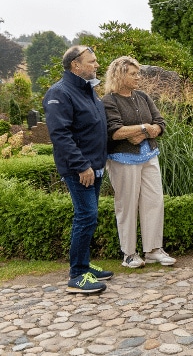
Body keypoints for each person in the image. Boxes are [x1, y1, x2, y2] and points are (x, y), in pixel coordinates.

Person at [43, 45, 114, 294]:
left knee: (89, 217)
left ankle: (84, 265)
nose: (96, 65)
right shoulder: (59, 93)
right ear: (76, 65)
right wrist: (82, 165)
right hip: (80, 169)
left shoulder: (87, 90)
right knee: (86, 217)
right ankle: (77, 275)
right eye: (92, 61)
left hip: (94, 166)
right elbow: (60, 135)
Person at [102, 56, 175, 269]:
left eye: (138, 73)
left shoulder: (142, 96)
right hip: (123, 160)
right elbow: (115, 132)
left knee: (154, 202)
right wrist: (145, 128)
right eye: (133, 74)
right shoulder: (109, 101)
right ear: (120, 75)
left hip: (149, 156)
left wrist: (144, 131)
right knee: (127, 205)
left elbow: (160, 123)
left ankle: (153, 250)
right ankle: (129, 254)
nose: (138, 77)